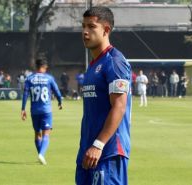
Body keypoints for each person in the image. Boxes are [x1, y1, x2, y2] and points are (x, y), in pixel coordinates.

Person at [76, 7, 132, 185]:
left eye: (91, 26)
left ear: (106, 30)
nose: (85, 31)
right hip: (88, 152)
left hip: (107, 153)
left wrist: (98, 144)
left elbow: (119, 106)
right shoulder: (93, 65)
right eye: (83, 26)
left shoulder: (114, 62)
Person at [21, 58, 62, 165]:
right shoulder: (49, 78)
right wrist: (60, 101)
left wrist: (23, 109)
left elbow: (25, 94)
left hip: (34, 111)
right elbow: (56, 90)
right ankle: (41, 154)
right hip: (46, 110)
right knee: (46, 134)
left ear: (36, 66)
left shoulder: (29, 78)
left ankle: (40, 155)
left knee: (37, 134)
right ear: (44, 67)